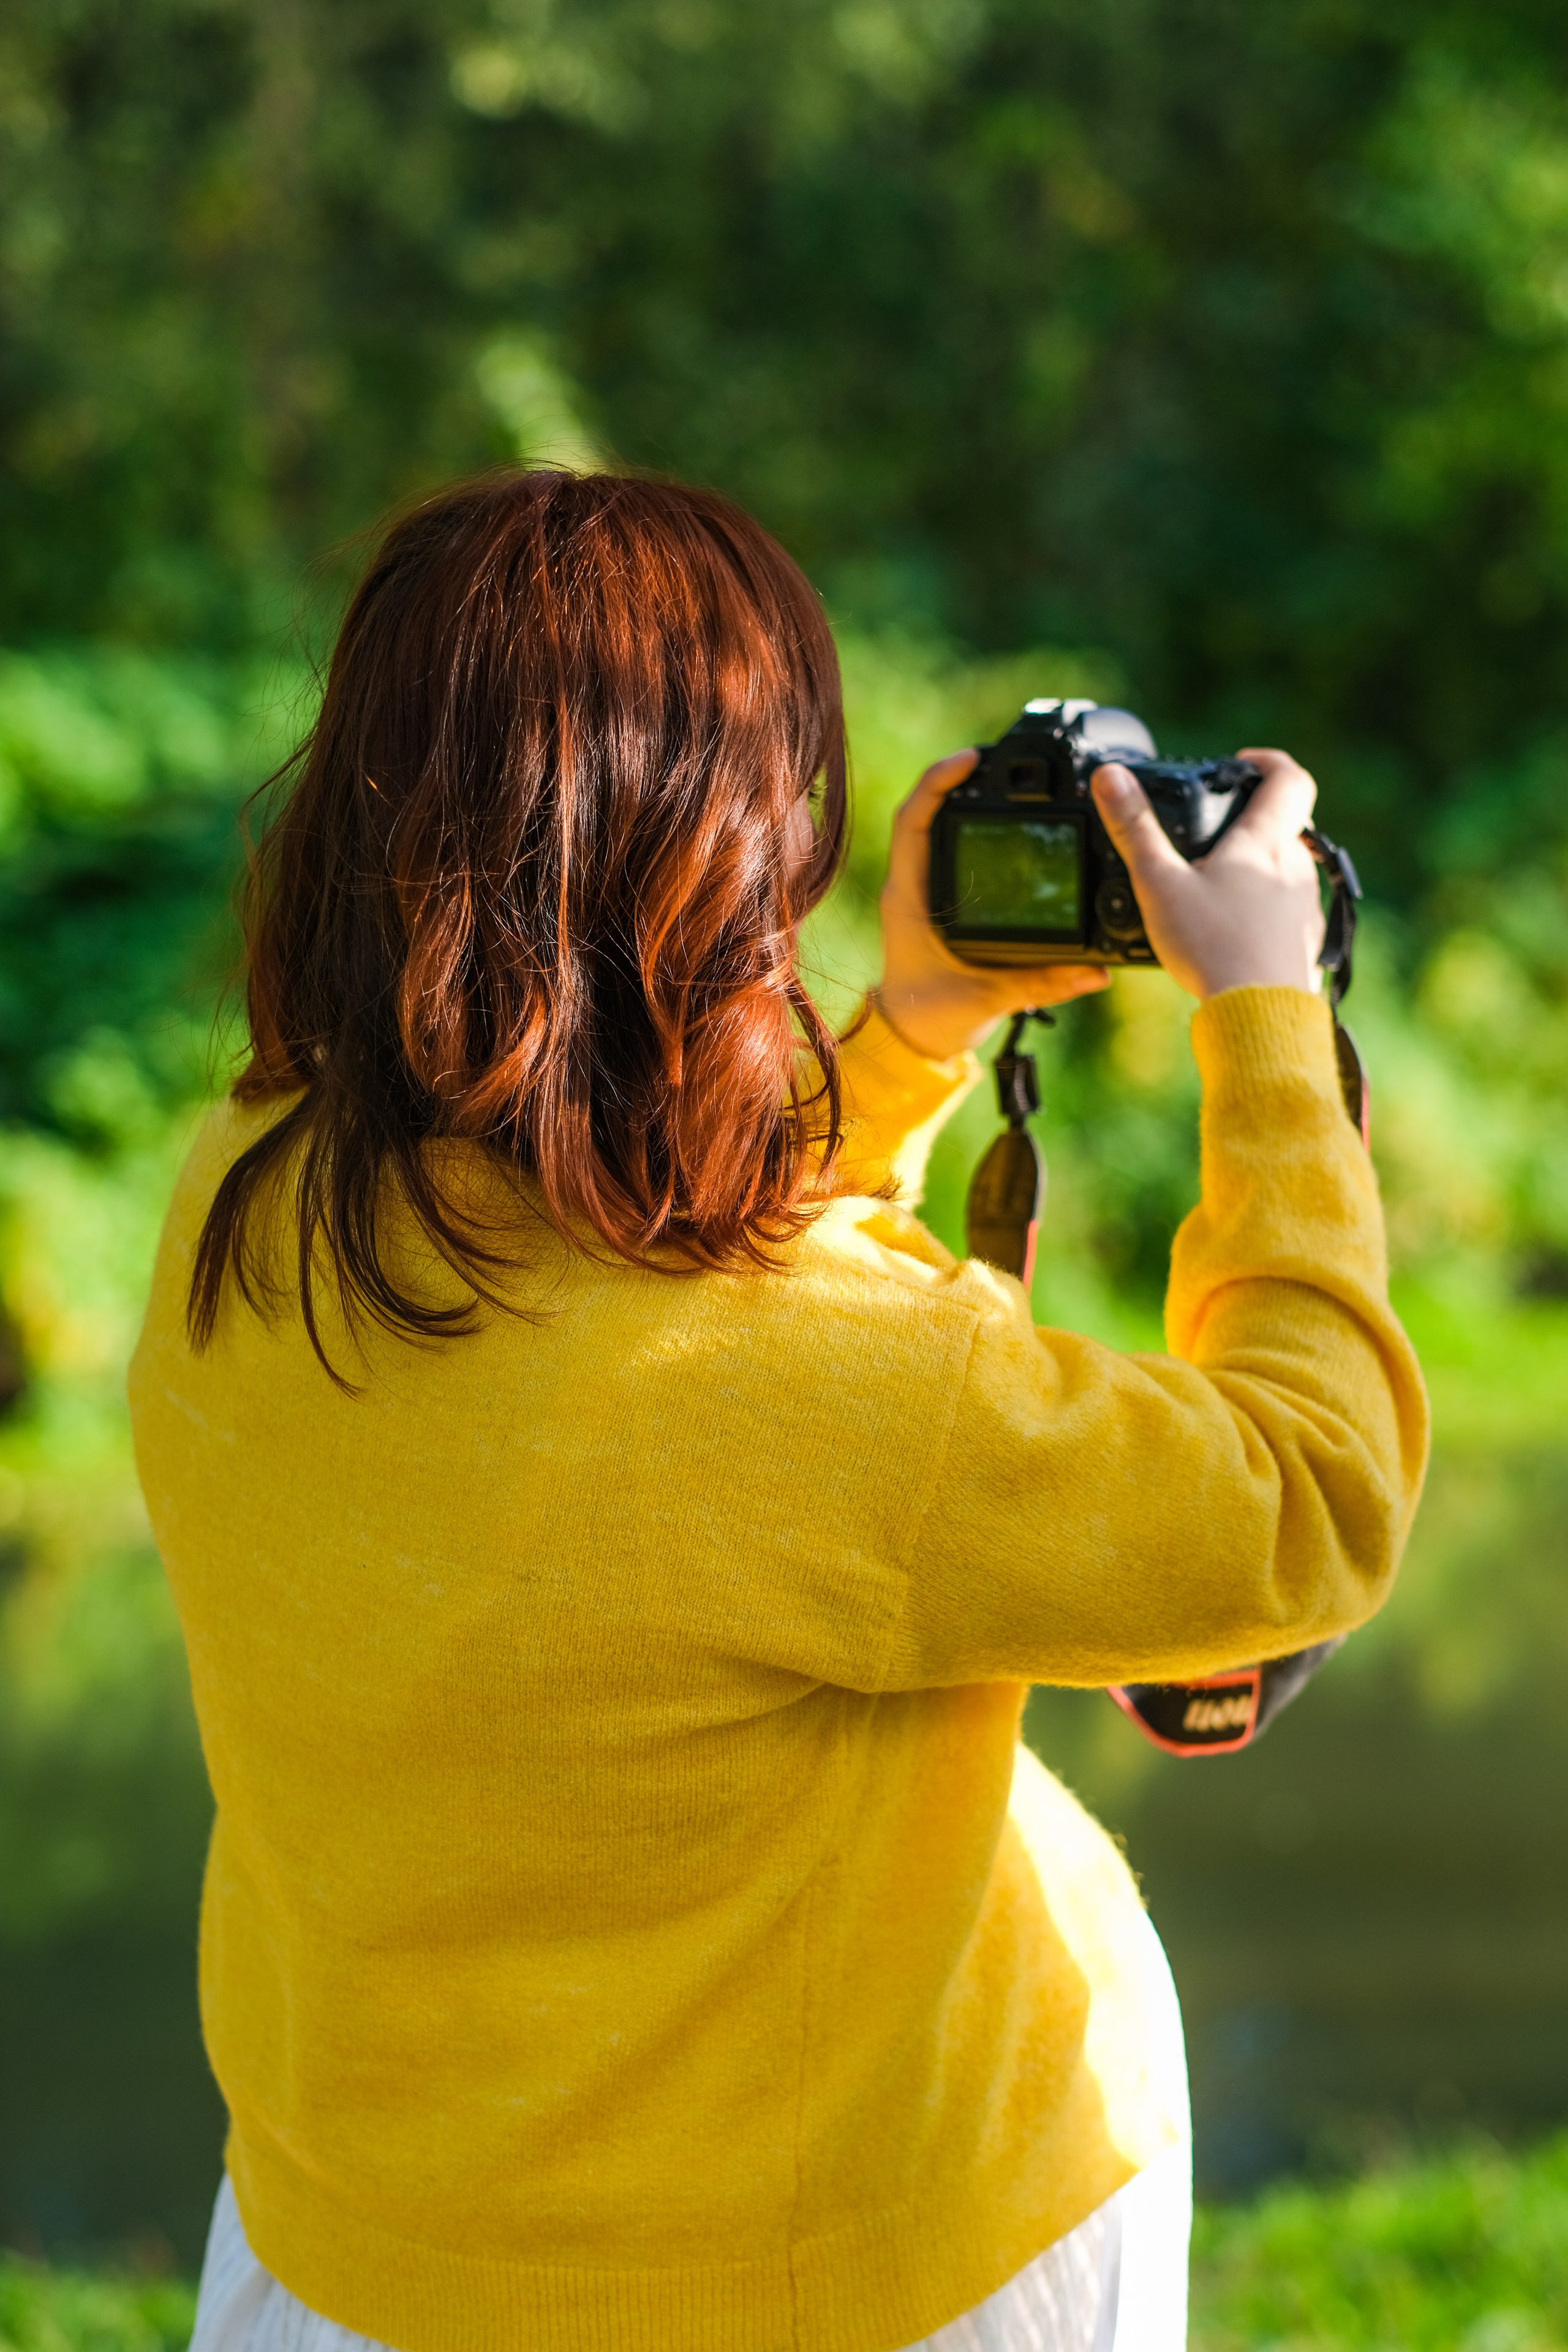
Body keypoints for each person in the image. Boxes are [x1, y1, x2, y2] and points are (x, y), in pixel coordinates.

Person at [129, 469, 1428, 2352]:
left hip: (358, 2252)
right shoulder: (829, 1385)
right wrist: (1268, 1024)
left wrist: (904, 1031)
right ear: (734, 856)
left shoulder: (242, 1204)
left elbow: (617, 1252)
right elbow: (1309, 1503)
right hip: (841, 2278)